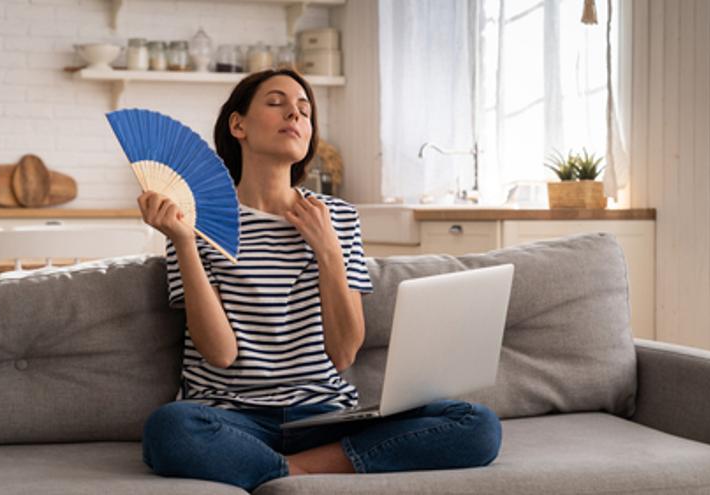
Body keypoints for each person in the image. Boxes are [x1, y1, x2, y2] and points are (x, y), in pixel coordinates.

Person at [136, 69, 502, 492]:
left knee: (478, 425)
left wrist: (328, 251)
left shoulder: (338, 218)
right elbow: (220, 353)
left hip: (323, 417)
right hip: (233, 416)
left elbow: (344, 352)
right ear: (238, 125)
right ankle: (311, 472)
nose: (294, 113)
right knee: (170, 429)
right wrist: (183, 242)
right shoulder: (195, 222)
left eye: (305, 111)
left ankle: (287, 472)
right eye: (276, 103)